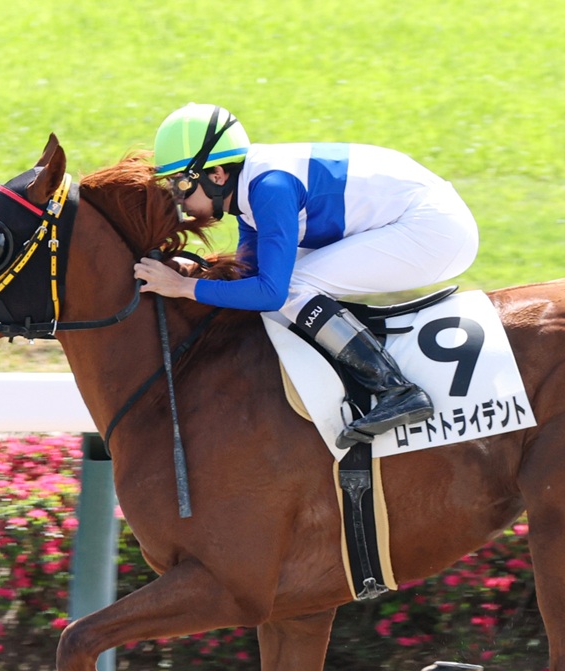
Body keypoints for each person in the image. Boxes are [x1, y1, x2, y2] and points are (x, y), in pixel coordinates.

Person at [133, 103, 479, 449]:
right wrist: (190, 272)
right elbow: (247, 278)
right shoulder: (250, 197)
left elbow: (271, 292)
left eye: (180, 184)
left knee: (294, 287)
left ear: (218, 174)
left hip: (434, 230)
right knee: (285, 291)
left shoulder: (270, 187)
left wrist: (183, 287)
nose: (178, 200)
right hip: (413, 216)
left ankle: (395, 389)